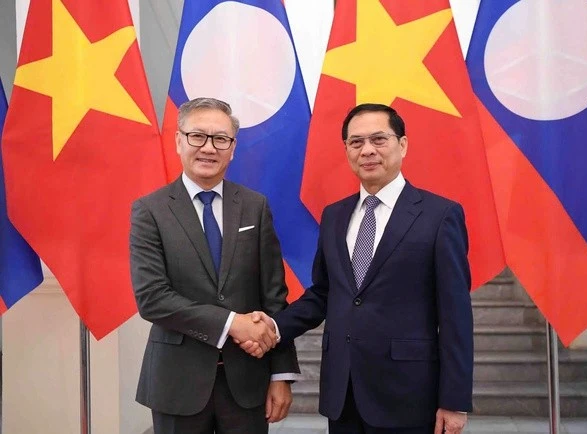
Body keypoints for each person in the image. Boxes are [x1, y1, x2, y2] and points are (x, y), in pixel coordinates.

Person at [242, 103, 473, 433]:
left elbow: (456, 315)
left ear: (402, 145)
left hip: (409, 396)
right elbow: (324, 293)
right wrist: (273, 328)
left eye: (379, 139)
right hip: (343, 394)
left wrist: (454, 401)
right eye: (356, 142)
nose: (367, 150)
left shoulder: (439, 215)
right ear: (347, 149)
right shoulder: (335, 215)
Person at [129, 97, 300, 434]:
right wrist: (232, 323)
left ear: (232, 148)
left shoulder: (255, 207)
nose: (208, 148)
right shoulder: (150, 211)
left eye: (220, 139)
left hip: (248, 382)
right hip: (176, 383)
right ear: (179, 141)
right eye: (198, 136)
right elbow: (152, 298)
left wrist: (281, 374)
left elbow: (274, 296)